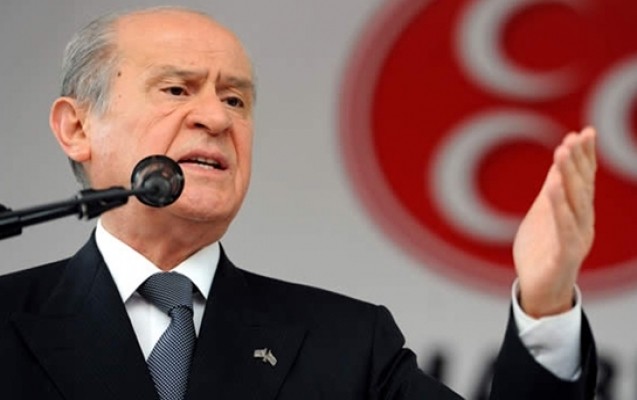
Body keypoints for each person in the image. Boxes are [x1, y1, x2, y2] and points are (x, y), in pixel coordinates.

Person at [0, 6, 597, 399]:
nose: (216, 118)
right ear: (77, 127)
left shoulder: (348, 345)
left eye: (235, 100)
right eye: (177, 89)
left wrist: (545, 300)